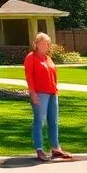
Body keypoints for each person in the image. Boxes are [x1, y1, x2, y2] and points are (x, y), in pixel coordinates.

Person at [23, 33, 72, 162]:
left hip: (52, 93)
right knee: (39, 121)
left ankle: (56, 148)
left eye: (48, 44)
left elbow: (53, 76)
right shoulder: (31, 58)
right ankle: (39, 149)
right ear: (36, 44)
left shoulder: (48, 58)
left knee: (54, 121)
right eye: (43, 43)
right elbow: (29, 77)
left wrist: (55, 91)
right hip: (40, 93)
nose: (46, 46)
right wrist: (33, 93)